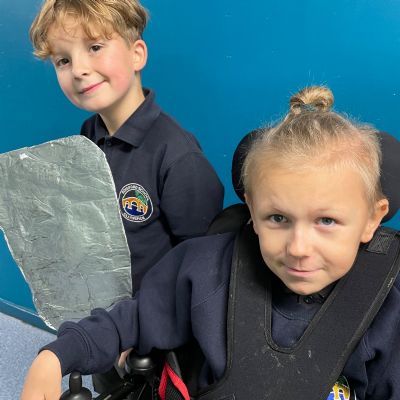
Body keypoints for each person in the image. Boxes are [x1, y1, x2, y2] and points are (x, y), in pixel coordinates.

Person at [21, 86, 400, 400]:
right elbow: (129, 321)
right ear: (252, 209)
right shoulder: (204, 270)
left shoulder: (385, 307)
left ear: (372, 218)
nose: (299, 248)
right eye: (278, 218)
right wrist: (55, 357)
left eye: (326, 221)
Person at [29, 0, 224, 294]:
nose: (78, 70)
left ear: (137, 55)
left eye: (95, 47)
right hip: (102, 304)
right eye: (63, 61)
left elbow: (202, 264)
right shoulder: (88, 134)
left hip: (153, 315)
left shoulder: (178, 157)